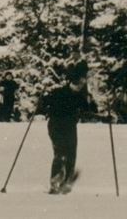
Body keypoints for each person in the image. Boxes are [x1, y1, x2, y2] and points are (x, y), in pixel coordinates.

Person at [37, 62, 98, 194]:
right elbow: (45, 104)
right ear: (73, 82)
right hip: (56, 125)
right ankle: (55, 181)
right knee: (60, 152)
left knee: (71, 152)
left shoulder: (80, 97)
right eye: (78, 83)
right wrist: (42, 101)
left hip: (70, 126)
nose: (80, 86)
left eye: (82, 84)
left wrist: (103, 116)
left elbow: (88, 112)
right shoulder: (59, 92)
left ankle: (66, 180)